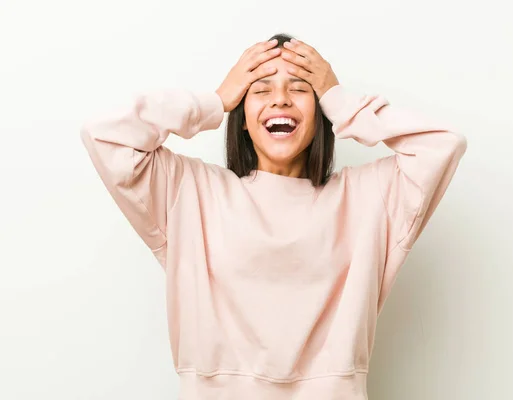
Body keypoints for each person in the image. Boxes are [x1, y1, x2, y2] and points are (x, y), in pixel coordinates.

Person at [81, 33, 467, 399]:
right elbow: (104, 134)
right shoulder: (189, 191)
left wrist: (340, 101)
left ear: (320, 115)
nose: (280, 99)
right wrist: (214, 102)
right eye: (261, 89)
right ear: (243, 118)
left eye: (300, 89)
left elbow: (443, 144)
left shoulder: (369, 198)